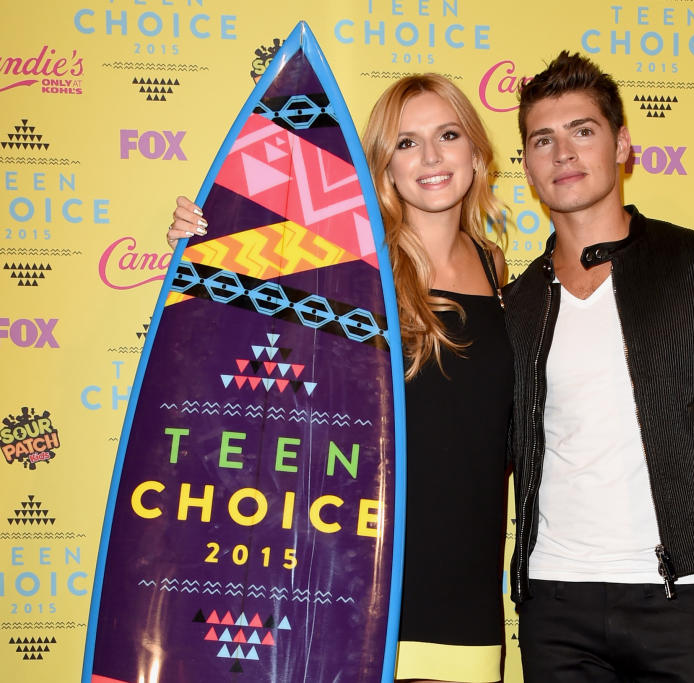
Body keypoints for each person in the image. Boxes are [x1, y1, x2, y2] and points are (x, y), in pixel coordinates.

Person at [169, 74, 512, 683]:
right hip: (352, 587)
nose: (431, 158)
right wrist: (200, 253)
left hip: (467, 590)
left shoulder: (497, 266)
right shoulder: (344, 265)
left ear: (477, 152)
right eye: (406, 143)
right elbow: (237, 367)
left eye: (448, 135)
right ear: (382, 167)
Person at [503, 51, 694, 682]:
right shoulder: (519, 300)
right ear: (526, 164)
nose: (564, 154)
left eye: (583, 131)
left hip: (681, 600)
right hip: (555, 603)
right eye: (542, 140)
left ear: (623, 145)